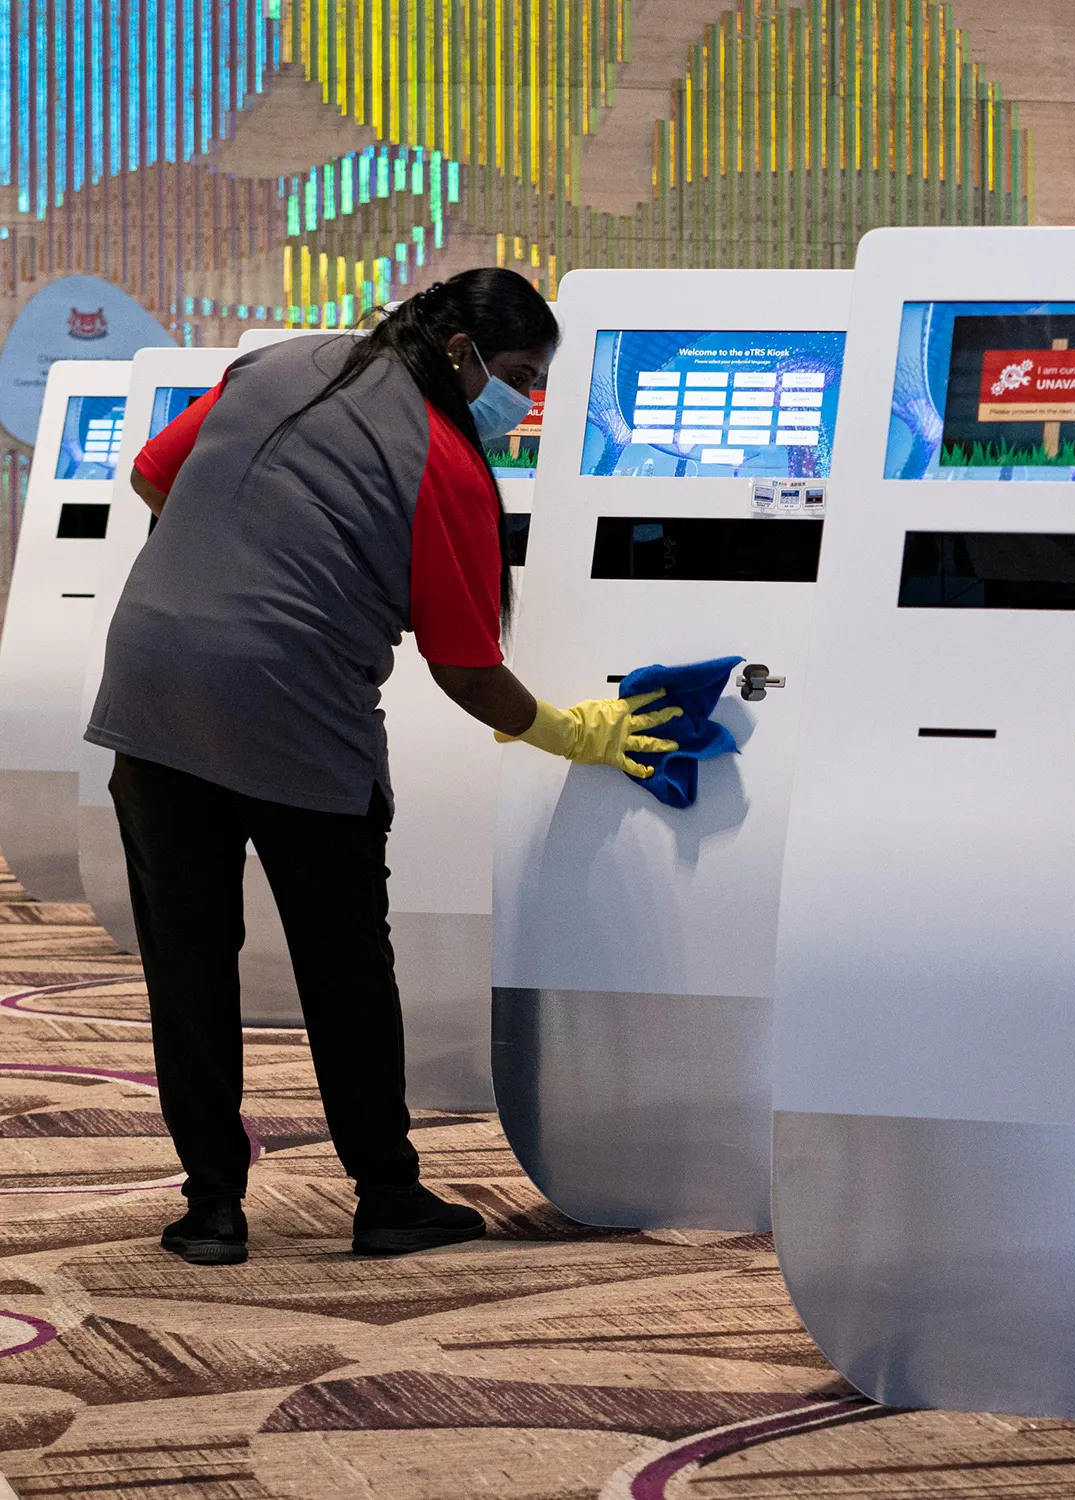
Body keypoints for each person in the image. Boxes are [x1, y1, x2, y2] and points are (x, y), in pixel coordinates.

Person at [84, 268, 681, 1264]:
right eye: (520, 376)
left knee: (188, 961)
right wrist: (576, 733)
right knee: (342, 961)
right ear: (461, 356)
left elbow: (153, 474)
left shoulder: (275, 364)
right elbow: (464, 666)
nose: (522, 404)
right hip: (294, 710)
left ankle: (211, 1210)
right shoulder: (441, 461)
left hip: (152, 686)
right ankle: (387, 1197)